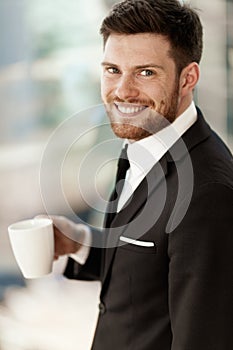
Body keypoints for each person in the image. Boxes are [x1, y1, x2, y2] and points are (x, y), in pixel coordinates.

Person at [48, 1, 233, 349]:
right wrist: (80, 242)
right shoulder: (144, 136)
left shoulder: (207, 194)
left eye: (146, 72)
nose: (123, 91)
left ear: (188, 78)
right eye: (112, 69)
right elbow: (151, 268)